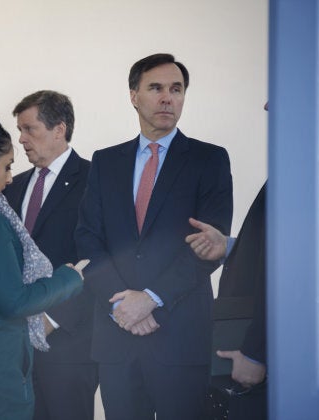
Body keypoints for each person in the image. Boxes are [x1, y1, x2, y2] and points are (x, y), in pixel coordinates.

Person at [74, 53, 233, 419]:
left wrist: (151, 298)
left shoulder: (209, 160)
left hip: (180, 336)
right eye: (156, 88)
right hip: (117, 338)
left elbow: (206, 246)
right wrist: (121, 305)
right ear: (134, 96)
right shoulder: (105, 162)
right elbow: (88, 240)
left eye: (176, 89)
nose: (167, 98)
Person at [3, 90, 98, 420]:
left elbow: (98, 261)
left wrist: (52, 320)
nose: (21, 139)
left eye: (30, 129)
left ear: (59, 129)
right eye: (19, 130)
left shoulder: (96, 180)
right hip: (14, 348)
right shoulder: (13, 185)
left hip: (69, 344)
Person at [185, 104, 269, 420]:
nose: (265, 106)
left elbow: (291, 273)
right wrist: (230, 246)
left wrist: (257, 353)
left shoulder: (310, 174)